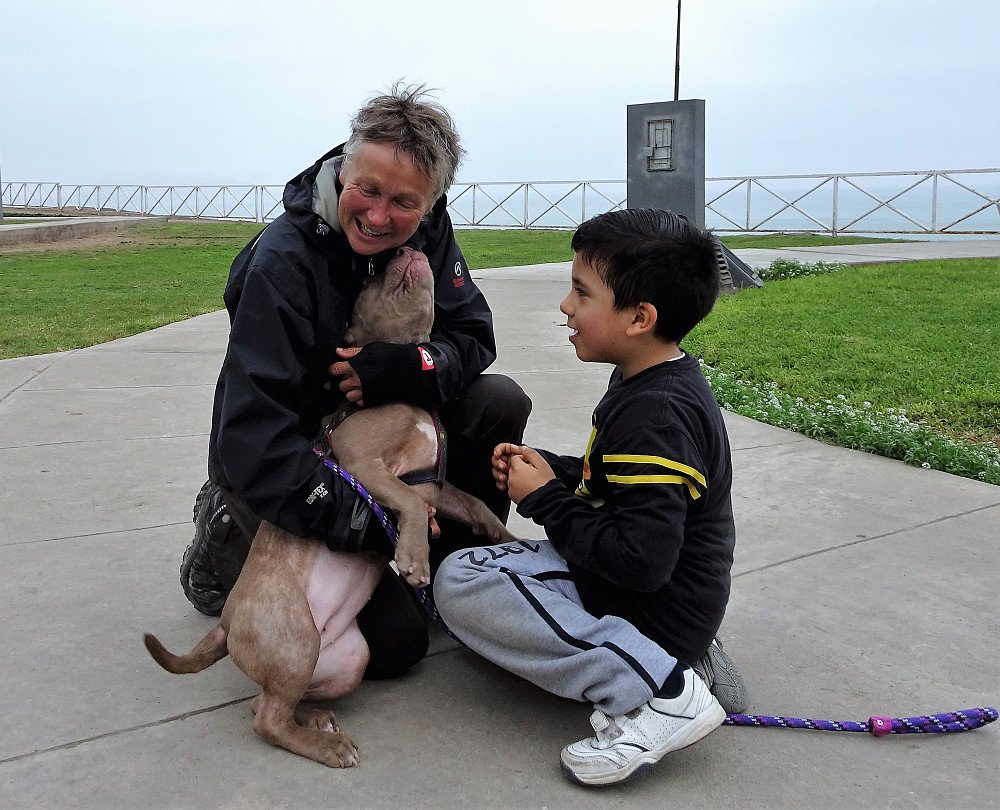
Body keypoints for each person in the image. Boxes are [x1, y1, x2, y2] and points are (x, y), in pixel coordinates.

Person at [179, 83, 531, 680]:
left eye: (404, 203)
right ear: (344, 169)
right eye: (367, 189)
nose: (378, 215)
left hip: (375, 428)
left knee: (498, 400)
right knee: (396, 648)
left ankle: (453, 570)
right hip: (287, 456)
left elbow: (473, 335)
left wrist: (408, 366)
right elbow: (253, 436)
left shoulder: (429, 231)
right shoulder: (281, 263)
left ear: (433, 201)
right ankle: (222, 539)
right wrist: (373, 519)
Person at [432, 208, 747, 787]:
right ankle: (675, 657)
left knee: (462, 583)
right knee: (474, 569)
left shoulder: (656, 414)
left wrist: (546, 499)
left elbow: (642, 561)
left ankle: (662, 689)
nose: (565, 306)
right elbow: (619, 487)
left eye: (581, 291)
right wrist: (553, 469)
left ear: (639, 318)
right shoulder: (654, 379)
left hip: (652, 600)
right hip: (663, 596)